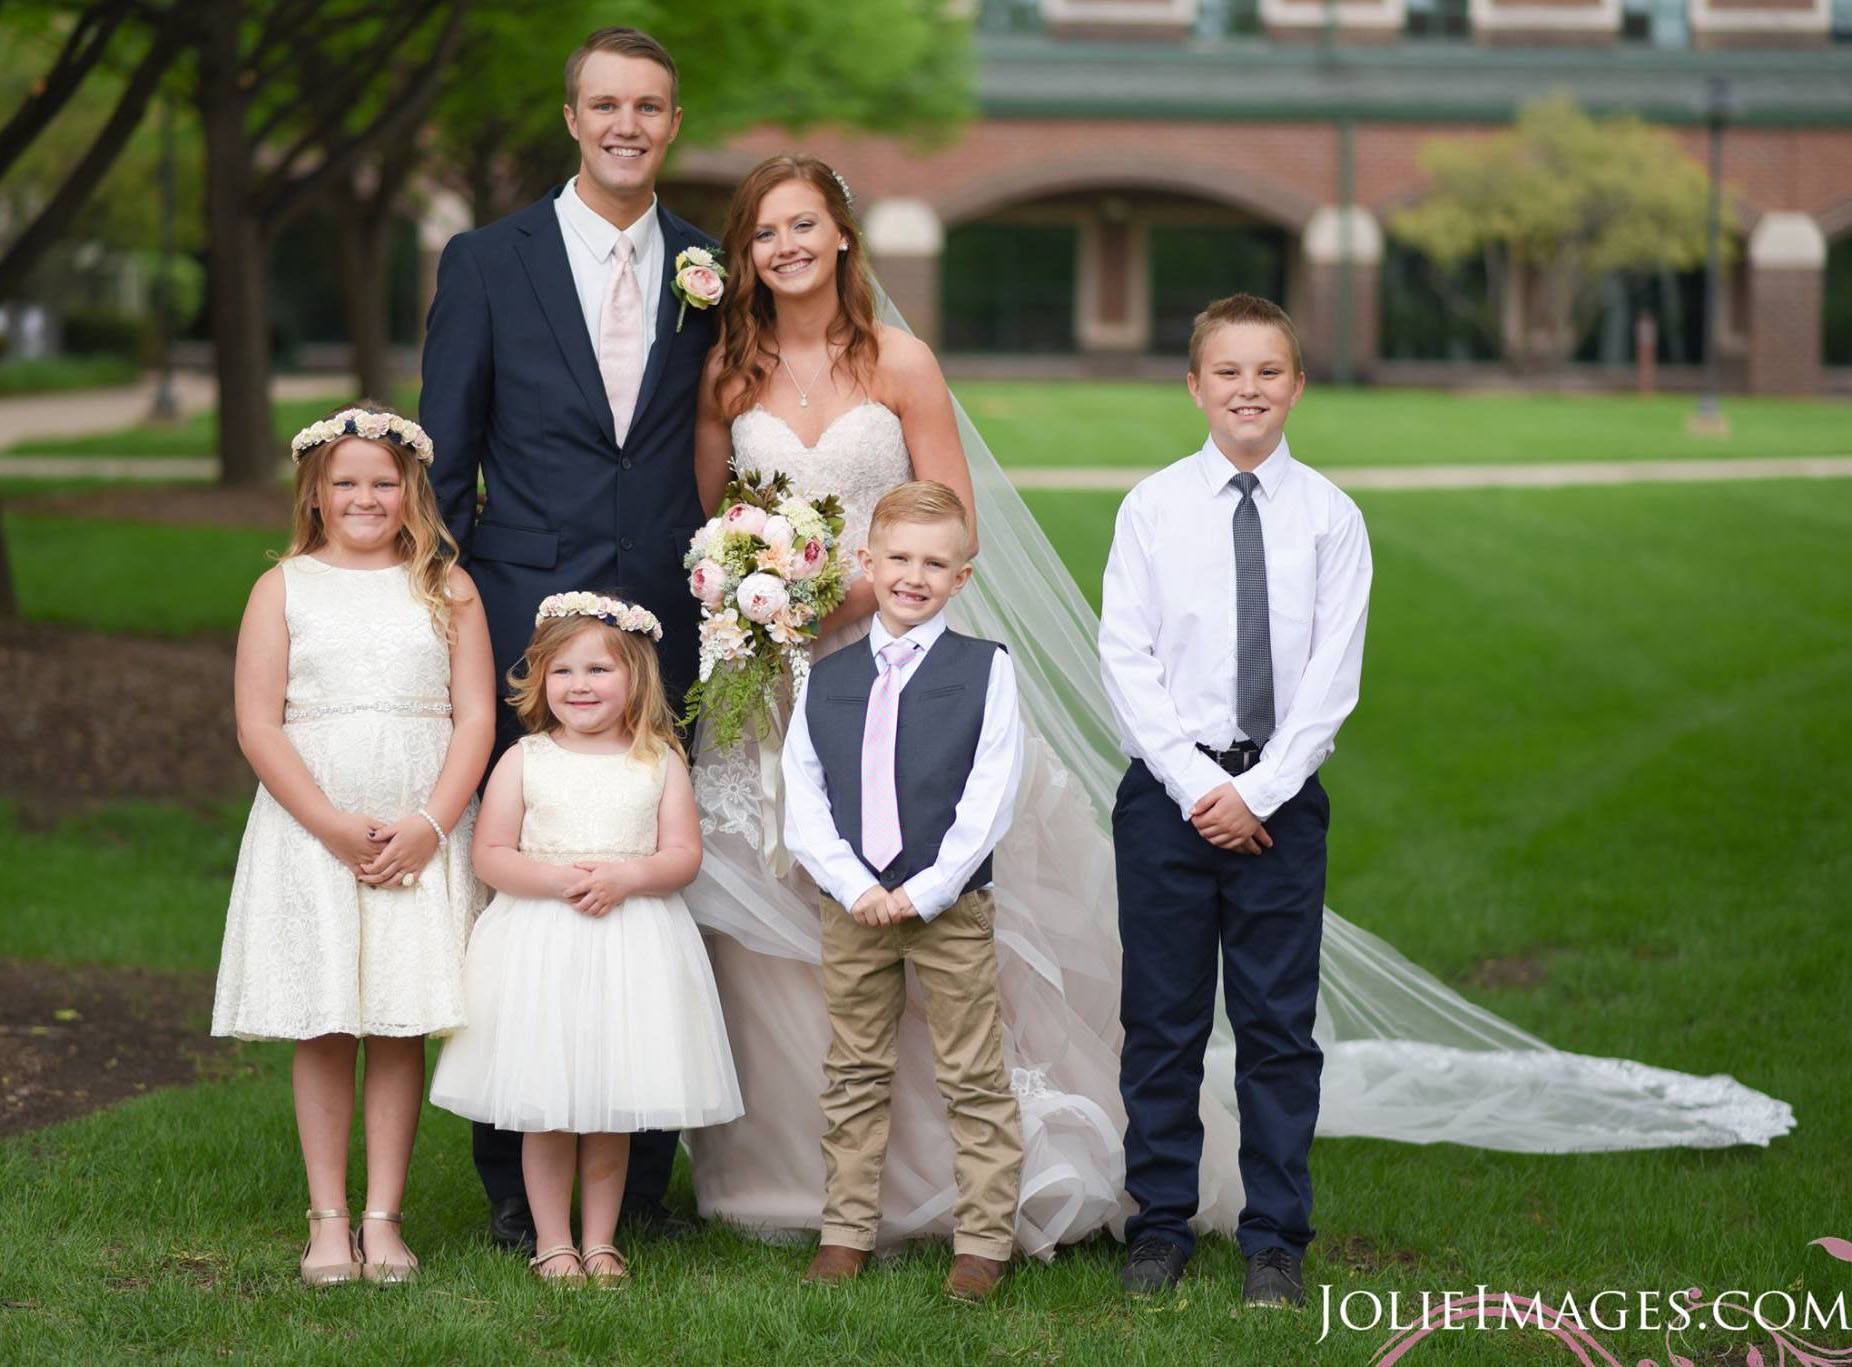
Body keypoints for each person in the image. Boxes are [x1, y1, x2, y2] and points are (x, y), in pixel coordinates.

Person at [680, 149, 1790, 1269]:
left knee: (1018, 953)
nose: (787, 245)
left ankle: (1014, 1189)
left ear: (841, 236)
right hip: (778, 682)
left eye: (805, 224)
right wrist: (766, 590)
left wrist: (839, 585)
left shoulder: (903, 360)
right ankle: (792, 1175)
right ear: (747, 248)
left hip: (921, 654)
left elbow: (953, 516)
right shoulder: (728, 375)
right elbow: (719, 517)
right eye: (767, 229)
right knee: (783, 924)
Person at [420, 25, 719, 1249]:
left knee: (643, 865)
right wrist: (451, 609)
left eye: (648, 105)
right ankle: (515, 1176)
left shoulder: (711, 263)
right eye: (606, 104)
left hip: (671, 609)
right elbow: (444, 444)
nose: (626, 124)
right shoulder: (488, 261)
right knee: (529, 881)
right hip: (520, 615)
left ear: (671, 123)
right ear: (571, 117)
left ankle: (638, 1177)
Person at [1101, 294, 1365, 1306]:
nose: (1247, 389)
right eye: (1228, 371)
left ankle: (1274, 1236)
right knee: (1162, 1020)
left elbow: (1331, 676)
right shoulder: (1153, 507)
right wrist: (1197, 784)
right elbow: (1124, 657)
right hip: (1167, 795)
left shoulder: (1329, 518)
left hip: (1281, 802)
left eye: (1267, 371)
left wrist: (1255, 790)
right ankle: (1159, 1221)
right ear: (1194, 385)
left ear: (1296, 384)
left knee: (1274, 1025)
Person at [211, 405, 495, 1286]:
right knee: (329, 1019)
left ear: (411, 493)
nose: (365, 497)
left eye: (383, 482)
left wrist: (432, 824)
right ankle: (327, 1217)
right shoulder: (284, 587)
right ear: (316, 495)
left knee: (399, 1021)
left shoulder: (448, 587)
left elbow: (477, 715)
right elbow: (259, 724)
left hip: (418, 820)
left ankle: (385, 1217)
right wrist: (331, 824)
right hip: (313, 827)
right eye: (346, 483)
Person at [430, 593, 742, 1284]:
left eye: (599, 669)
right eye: (563, 670)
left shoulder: (659, 760)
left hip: (631, 946)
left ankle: (601, 1238)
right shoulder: (524, 760)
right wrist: (557, 880)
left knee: (609, 1108)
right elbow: (491, 853)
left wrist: (630, 875)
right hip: (543, 945)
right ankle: (552, 1241)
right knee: (546, 1104)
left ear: (635, 676)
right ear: (539, 679)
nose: (580, 685)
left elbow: (683, 854)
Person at [783, 482, 1026, 1301]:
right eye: (899, 558)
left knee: (973, 1074)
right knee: (853, 1069)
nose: (914, 576)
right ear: (868, 562)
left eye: (935, 562)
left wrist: (925, 889)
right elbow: (803, 795)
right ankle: (846, 1229)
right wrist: (855, 885)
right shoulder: (829, 677)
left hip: (948, 905)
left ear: (962, 576)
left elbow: (990, 794)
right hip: (852, 910)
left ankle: (984, 1239)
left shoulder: (985, 670)